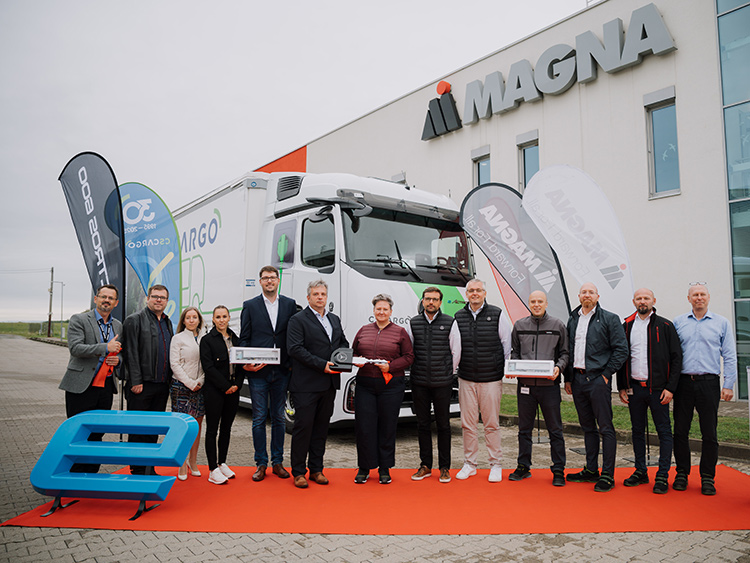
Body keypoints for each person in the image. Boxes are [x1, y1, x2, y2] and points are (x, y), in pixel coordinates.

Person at [673, 282, 737, 495]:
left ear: (708, 297)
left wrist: (728, 384)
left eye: (702, 294)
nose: (699, 298)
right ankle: (682, 473)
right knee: (680, 430)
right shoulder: (678, 322)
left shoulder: (721, 323)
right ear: (689, 298)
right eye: (695, 295)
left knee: (709, 432)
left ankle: (708, 477)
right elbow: (672, 356)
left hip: (709, 383)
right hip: (683, 383)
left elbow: (729, 355)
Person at [616, 288, 682, 494]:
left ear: (653, 300)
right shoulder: (627, 326)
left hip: (659, 390)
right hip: (635, 388)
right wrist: (621, 385)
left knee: (664, 432)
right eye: (639, 298)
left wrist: (670, 388)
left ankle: (662, 475)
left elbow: (677, 358)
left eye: (646, 298)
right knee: (637, 431)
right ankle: (640, 471)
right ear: (633, 301)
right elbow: (621, 357)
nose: (642, 301)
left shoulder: (665, 326)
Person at [564, 282, 628, 492]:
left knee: (605, 428)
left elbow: (621, 349)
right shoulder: (573, 319)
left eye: (591, 292)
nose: (587, 295)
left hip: (598, 380)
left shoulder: (609, 318)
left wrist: (606, 374)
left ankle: (608, 474)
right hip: (578, 380)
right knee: (587, 427)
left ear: (597, 296)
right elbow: (568, 350)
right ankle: (591, 469)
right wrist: (568, 378)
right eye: (584, 292)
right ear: (579, 296)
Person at [287, 280, 348, 489]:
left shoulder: (334, 319)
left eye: (323, 294)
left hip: (329, 384)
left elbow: (342, 343)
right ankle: (298, 472)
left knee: (321, 429)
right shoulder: (297, 320)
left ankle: (316, 469)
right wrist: (322, 365)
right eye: (316, 294)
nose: (320, 297)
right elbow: (295, 349)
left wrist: (344, 359)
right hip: (306, 385)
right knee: (303, 428)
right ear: (308, 297)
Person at [239, 265, 297, 482]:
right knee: (258, 418)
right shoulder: (250, 306)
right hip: (258, 373)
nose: (269, 281)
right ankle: (261, 463)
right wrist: (246, 363)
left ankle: (278, 462)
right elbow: (244, 338)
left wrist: (290, 365)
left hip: (281, 371)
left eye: (273, 277)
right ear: (260, 281)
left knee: (279, 418)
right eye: (265, 278)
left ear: (278, 280)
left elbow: (293, 336)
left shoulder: (290, 305)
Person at [507, 290, 569, 487]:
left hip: (549, 387)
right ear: (529, 304)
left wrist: (559, 367)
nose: (536, 304)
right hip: (525, 387)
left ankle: (558, 469)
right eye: (533, 301)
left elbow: (565, 353)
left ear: (546, 303)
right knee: (524, 429)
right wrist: (513, 366)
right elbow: (515, 352)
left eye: (540, 301)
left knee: (555, 429)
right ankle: (523, 466)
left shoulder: (558, 325)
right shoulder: (519, 325)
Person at [59, 284, 122, 473]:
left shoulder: (118, 325)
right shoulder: (79, 319)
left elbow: (120, 352)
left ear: (116, 303)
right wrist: (105, 348)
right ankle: (74, 474)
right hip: (81, 386)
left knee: (97, 432)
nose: (106, 300)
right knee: (78, 432)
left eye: (111, 298)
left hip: (105, 388)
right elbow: (75, 348)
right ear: (96, 299)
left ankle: (91, 473)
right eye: (103, 297)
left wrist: (118, 360)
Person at [454, 278, 512, 483]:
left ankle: (495, 464)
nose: (475, 293)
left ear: (485, 293)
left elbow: (506, 344)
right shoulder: (458, 316)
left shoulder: (497, 314)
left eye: (478, 290)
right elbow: (456, 346)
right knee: (468, 424)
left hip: (490, 379)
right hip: (466, 378)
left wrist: (504, 369)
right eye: (471, 290)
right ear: (466, 294)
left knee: (491, 424)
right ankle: (470, 464)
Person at [352, 294, 414, 485]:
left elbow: (409, 356)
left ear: (391, 312)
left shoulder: (400, 332)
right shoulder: (363, 330)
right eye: (378, 309)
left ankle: (384, 468)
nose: (381, 312)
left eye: (385, 309)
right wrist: (356, 361)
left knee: (387, 427)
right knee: (364, 427)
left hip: (391, 386)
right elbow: (353, 352)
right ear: (373, 311)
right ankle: (364, 468)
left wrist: (391, 367)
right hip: (365, 385)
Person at [406, 286, 460, 484]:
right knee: (422, 424)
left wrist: (447, 373)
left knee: (444, 425)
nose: (431, 302)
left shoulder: (450, 322)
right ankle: (425, 465)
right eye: (428, 299)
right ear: (422, 301)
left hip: (442, 383)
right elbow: (409, 351)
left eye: (435, 299)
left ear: (440, 302)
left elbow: (456, 351)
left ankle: (444, 467)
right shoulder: (413, 323)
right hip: (419, 382)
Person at [122, 284, 174, 475]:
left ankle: (148, 467)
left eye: (162, 297)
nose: (159, 300)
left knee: (154, 428)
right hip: (141, 386)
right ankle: (137, 469)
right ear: (147, 298)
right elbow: (130, 353)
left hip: (162, 385)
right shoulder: (134, 320)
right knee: (138, 429)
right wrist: (136, 381)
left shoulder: (167, 322)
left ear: (167, 301)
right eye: (155, 296)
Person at [200, 305, 243, 485]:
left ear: (229, 318)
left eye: (224, 316)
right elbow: (208, 368)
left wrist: (237, 385)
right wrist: (226, 386)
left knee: (226, 428)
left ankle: (222, 462)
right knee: (212, 430)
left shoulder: (236, 339)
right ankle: (212, 469)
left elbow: (241, 364)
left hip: (233, 391)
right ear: (213, 319)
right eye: (218, 317)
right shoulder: (207, 340)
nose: (221, 320)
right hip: (215, 391)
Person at [169, 306, 206, 481]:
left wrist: (200, 381)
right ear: (183, 321)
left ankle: (193, 461)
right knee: (183, 427)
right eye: (188, 317)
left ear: (199, 320)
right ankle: (181, 463)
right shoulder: (177, 339)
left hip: (200, 386)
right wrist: (190, 383)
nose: (191, 320)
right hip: (181, 387)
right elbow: (174, 364)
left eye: (194, 317)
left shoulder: (205, 338)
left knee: (197, 426)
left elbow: (207, 363)